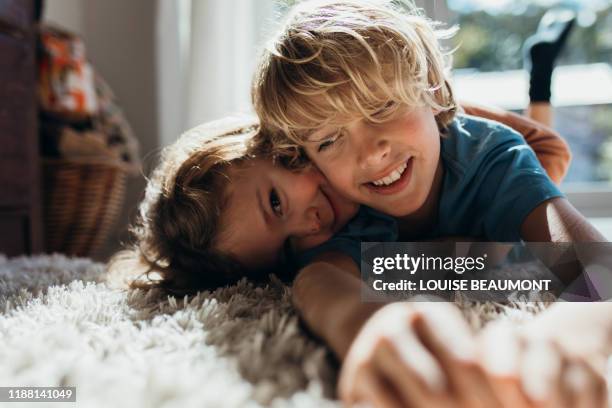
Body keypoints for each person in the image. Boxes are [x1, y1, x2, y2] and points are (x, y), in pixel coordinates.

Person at [251, 0, 609, 406]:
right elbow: (318, 281)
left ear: (433, 90)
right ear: (310, 161)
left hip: (504, 150)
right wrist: (363, 325)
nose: (370, 154)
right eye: (329, 140)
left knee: (542, 155)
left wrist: (570, 334)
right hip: (469, 227)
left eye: (382, 106)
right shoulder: (343, 205)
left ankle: (539, 72)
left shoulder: (494, 158)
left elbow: (600, 266)